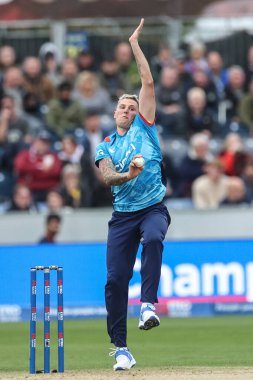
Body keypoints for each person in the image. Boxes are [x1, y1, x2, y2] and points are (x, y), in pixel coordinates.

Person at [95, 19, 171, 371]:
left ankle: (148, 306)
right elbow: (108, 178)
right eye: (123, 107)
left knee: (154, 237)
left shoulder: (145, 125)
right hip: (123, 216)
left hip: (153, 206)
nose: (128, 110)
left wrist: (135, 44)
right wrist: (130, 174)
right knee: (114, 280)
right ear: (114, 113)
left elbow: (148, 81)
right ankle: (121, 348)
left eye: (132, 106)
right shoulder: (106, 145)